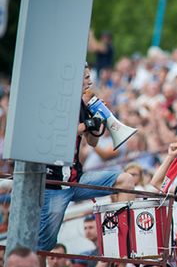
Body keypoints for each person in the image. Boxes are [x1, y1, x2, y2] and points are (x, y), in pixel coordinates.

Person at [38, 66, 135, 252]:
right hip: (55, 184)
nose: (90, 82)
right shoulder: (58, 104)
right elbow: (57, 134)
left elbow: (91, 142)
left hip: (77, 179)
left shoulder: (82, 106)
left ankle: (116, 234)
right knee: (44, 247)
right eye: (86, 78)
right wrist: (86, 125)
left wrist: (98, 123)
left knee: (126, 180)